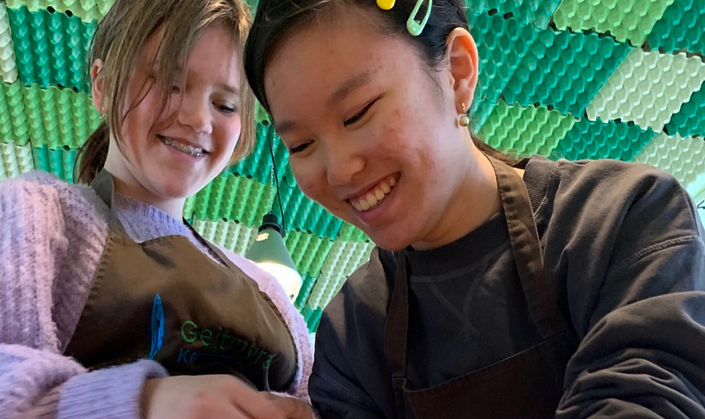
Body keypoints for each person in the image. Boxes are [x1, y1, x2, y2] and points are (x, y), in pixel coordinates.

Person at [243, 0, 705, 417]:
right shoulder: (353, 331)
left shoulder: (623, 218)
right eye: (301, 144)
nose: (340, 171)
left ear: (458, 72)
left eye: (358, 112)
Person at [0, 0, 314, 417]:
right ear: (103, 84)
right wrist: (140, 402)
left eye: (225, 105)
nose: (198, 119)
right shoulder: (28, 216)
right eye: (170, 82)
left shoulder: (269, 293)